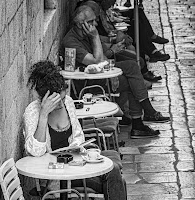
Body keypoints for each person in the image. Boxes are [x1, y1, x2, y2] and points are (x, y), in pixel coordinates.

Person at [61, 5, 170, 138]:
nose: (95, 24)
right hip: (89, 83)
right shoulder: (72, 41)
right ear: (80, 25)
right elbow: (97, 61)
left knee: (132, 66)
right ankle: (139, 122)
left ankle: (142, 117)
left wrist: (109, 43)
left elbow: (103, 51)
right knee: (132, 82)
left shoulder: (86, 33)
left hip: (99, 74)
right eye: (91, 22)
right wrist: (95, 36)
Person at [23, 60, 127, 200]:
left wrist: (75, 148)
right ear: (44, 98)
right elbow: (35, 152)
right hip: (54, 175)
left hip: (76, 166)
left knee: (114, 173)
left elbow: (79, 136)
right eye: (56, 101)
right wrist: (43, 115)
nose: (61, 103)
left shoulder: (68, 103)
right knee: (115, 178)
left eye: (62, 97)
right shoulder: (33, 112)